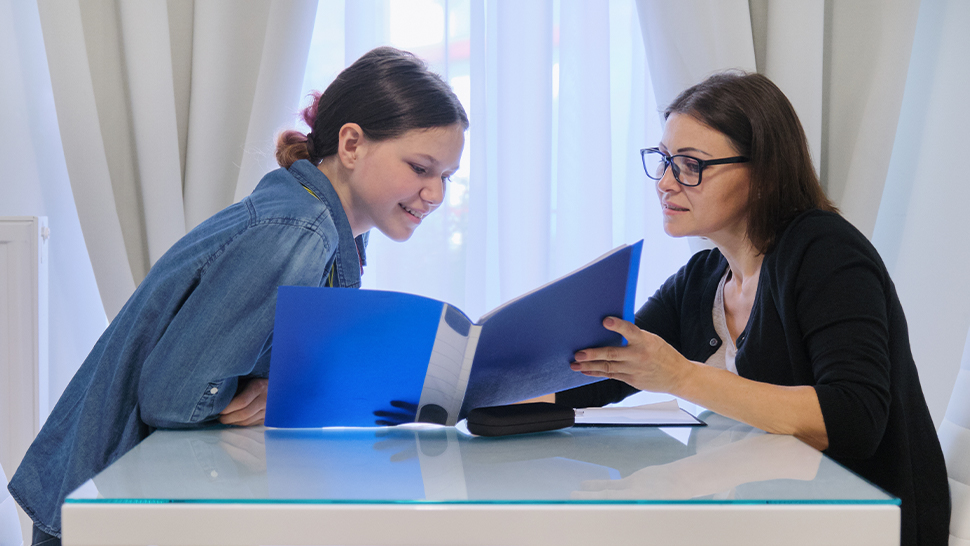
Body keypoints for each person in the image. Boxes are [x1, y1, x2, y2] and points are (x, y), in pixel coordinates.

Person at [8, 46, 468, 545]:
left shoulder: (328, 225)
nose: (436, 195)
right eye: (421, 168)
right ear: (352, 144)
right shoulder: (298, 231)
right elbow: (174, 399)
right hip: (114, 510)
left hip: (130, 500)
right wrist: (279, 399)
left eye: (446, 177)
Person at [557, 72, 950, 545]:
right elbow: (603, 373)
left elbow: (854, 420)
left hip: (855, 524)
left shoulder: (825, 252)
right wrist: (479, 392)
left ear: (764, 175)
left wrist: (682, 377)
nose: (664, 182)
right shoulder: (704, 276)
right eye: (663, 160)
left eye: (689, 165)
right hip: (749, 515)